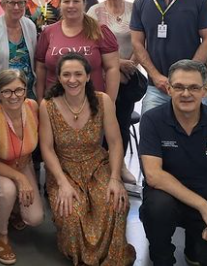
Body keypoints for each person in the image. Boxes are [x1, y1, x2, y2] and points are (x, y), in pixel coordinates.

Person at [139, 60, 207, 266]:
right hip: (167, 200)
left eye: (194, 87)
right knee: (157, 207)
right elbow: (153, 175)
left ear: (206, 90)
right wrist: (202, 205)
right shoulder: (152, 120)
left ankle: (194, 249)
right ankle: (161, 257)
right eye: (179, 87)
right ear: (169, 89)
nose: (186, 94)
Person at [39, 53, 136, 266]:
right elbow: (47, 148)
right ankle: (82, 258)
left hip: (97, 165)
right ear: (59, 78)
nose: (72, 80)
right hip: (64, 170)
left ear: (88, 76)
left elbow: (115, 142)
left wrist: (115, 178)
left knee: (114, 204)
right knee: (71, 213)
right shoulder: (48, 105)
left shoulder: (103, 101)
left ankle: (110, 256)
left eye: (78, 74)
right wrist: (62, 183)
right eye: (66, 74)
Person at [0, 70, 44, 265]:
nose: (14, 96)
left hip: (21, 161)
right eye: (6, 91)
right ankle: (1, 237)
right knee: (8, 189)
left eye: (19, 90)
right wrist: (20, 178)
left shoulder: (33, 107)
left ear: (26, 90)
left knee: (35, 218)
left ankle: (13, 212)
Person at [88, 0, 139, 184]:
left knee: (121, 121)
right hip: (102, 76)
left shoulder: (135, 9)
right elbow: (90, 45)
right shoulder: (94, 12)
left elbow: (142, 40)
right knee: (100, 121)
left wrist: (132, 64)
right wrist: (118, 64)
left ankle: (120, 167)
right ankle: (99, 166)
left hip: (128, 76)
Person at [35, 0, 120, 103]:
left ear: (84, 4)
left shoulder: (99, 31)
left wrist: (109, 102)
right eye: (66, 1)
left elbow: (112, 68)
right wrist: (40, 99)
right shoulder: (48, 32)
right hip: (54, 103)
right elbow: (40, 68)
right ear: (60, 4)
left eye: (76, 1)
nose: (71, 5)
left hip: (92, 103)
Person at [0, 0, 38, 104]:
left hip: (27, 93)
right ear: (2, 5)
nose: (17, 7)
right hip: (3, 94)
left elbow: (34, 61)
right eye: (12, 3)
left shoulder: (30, 26)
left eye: (21, 3)